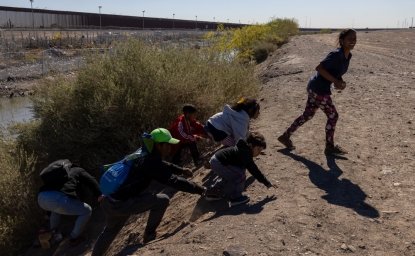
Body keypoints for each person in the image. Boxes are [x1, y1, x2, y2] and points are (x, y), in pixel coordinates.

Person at [92, 128, 206, 256]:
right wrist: (199, 189)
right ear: (158, 145)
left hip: (109, 200)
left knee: (110, 231)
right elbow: (172, 181)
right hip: (122, 203)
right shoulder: (149, 161)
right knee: (162, 200)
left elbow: (160, 164)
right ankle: (149, 235)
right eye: (167, 144)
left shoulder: (142, 153)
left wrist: (180, 170)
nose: (170, 147)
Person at [278, 29, 357, 155]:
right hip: (318, 88)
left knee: (308, 115)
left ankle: (285, 136)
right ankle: (329, 147)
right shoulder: (336, 54)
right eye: (350, 39)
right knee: (333, 115)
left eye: (354, 38)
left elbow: (335, 72)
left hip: (316, 88)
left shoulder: (348, 56)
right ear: (342, 41)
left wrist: (340, 81)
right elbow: (319, 68)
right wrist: (335, 81)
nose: (353, 41)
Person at [37, 160, 102, 247]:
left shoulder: (59, 173)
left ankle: (53, 233)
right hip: (56, 199)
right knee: (86, 210)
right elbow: (91, 181)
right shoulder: (79, 170)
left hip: (41, 197)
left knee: (55, 210)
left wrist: (48, 213)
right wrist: (100, 195)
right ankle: (74, 238)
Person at [205, 132, 276, 207]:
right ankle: (236, 198)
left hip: (216, 160)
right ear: (251, 145)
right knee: (240, 176)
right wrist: (266, 182)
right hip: (220, 163)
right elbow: (254, 170)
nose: (259, 152)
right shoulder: (246, 154)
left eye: (260, 150)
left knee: (231, 174)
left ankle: (212, 193)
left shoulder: (243, 148)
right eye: (258, 149)